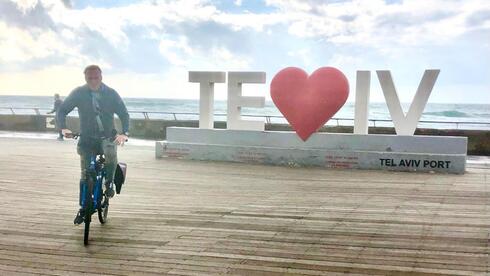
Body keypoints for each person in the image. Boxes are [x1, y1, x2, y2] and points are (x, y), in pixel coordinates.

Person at [57, 65, 130, 225]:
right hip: (87, 137)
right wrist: (63, 127)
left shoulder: (111, 94)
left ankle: (109, 181)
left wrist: (124, 133)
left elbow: (124, 113)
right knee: (84, 173)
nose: (93, 81)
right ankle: (83, 207)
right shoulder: (79, 93)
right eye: (90, 78)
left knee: (110, 154)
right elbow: (62, 110)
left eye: (96, 77)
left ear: (101, 77)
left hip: (107, 136)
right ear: (85, 78)